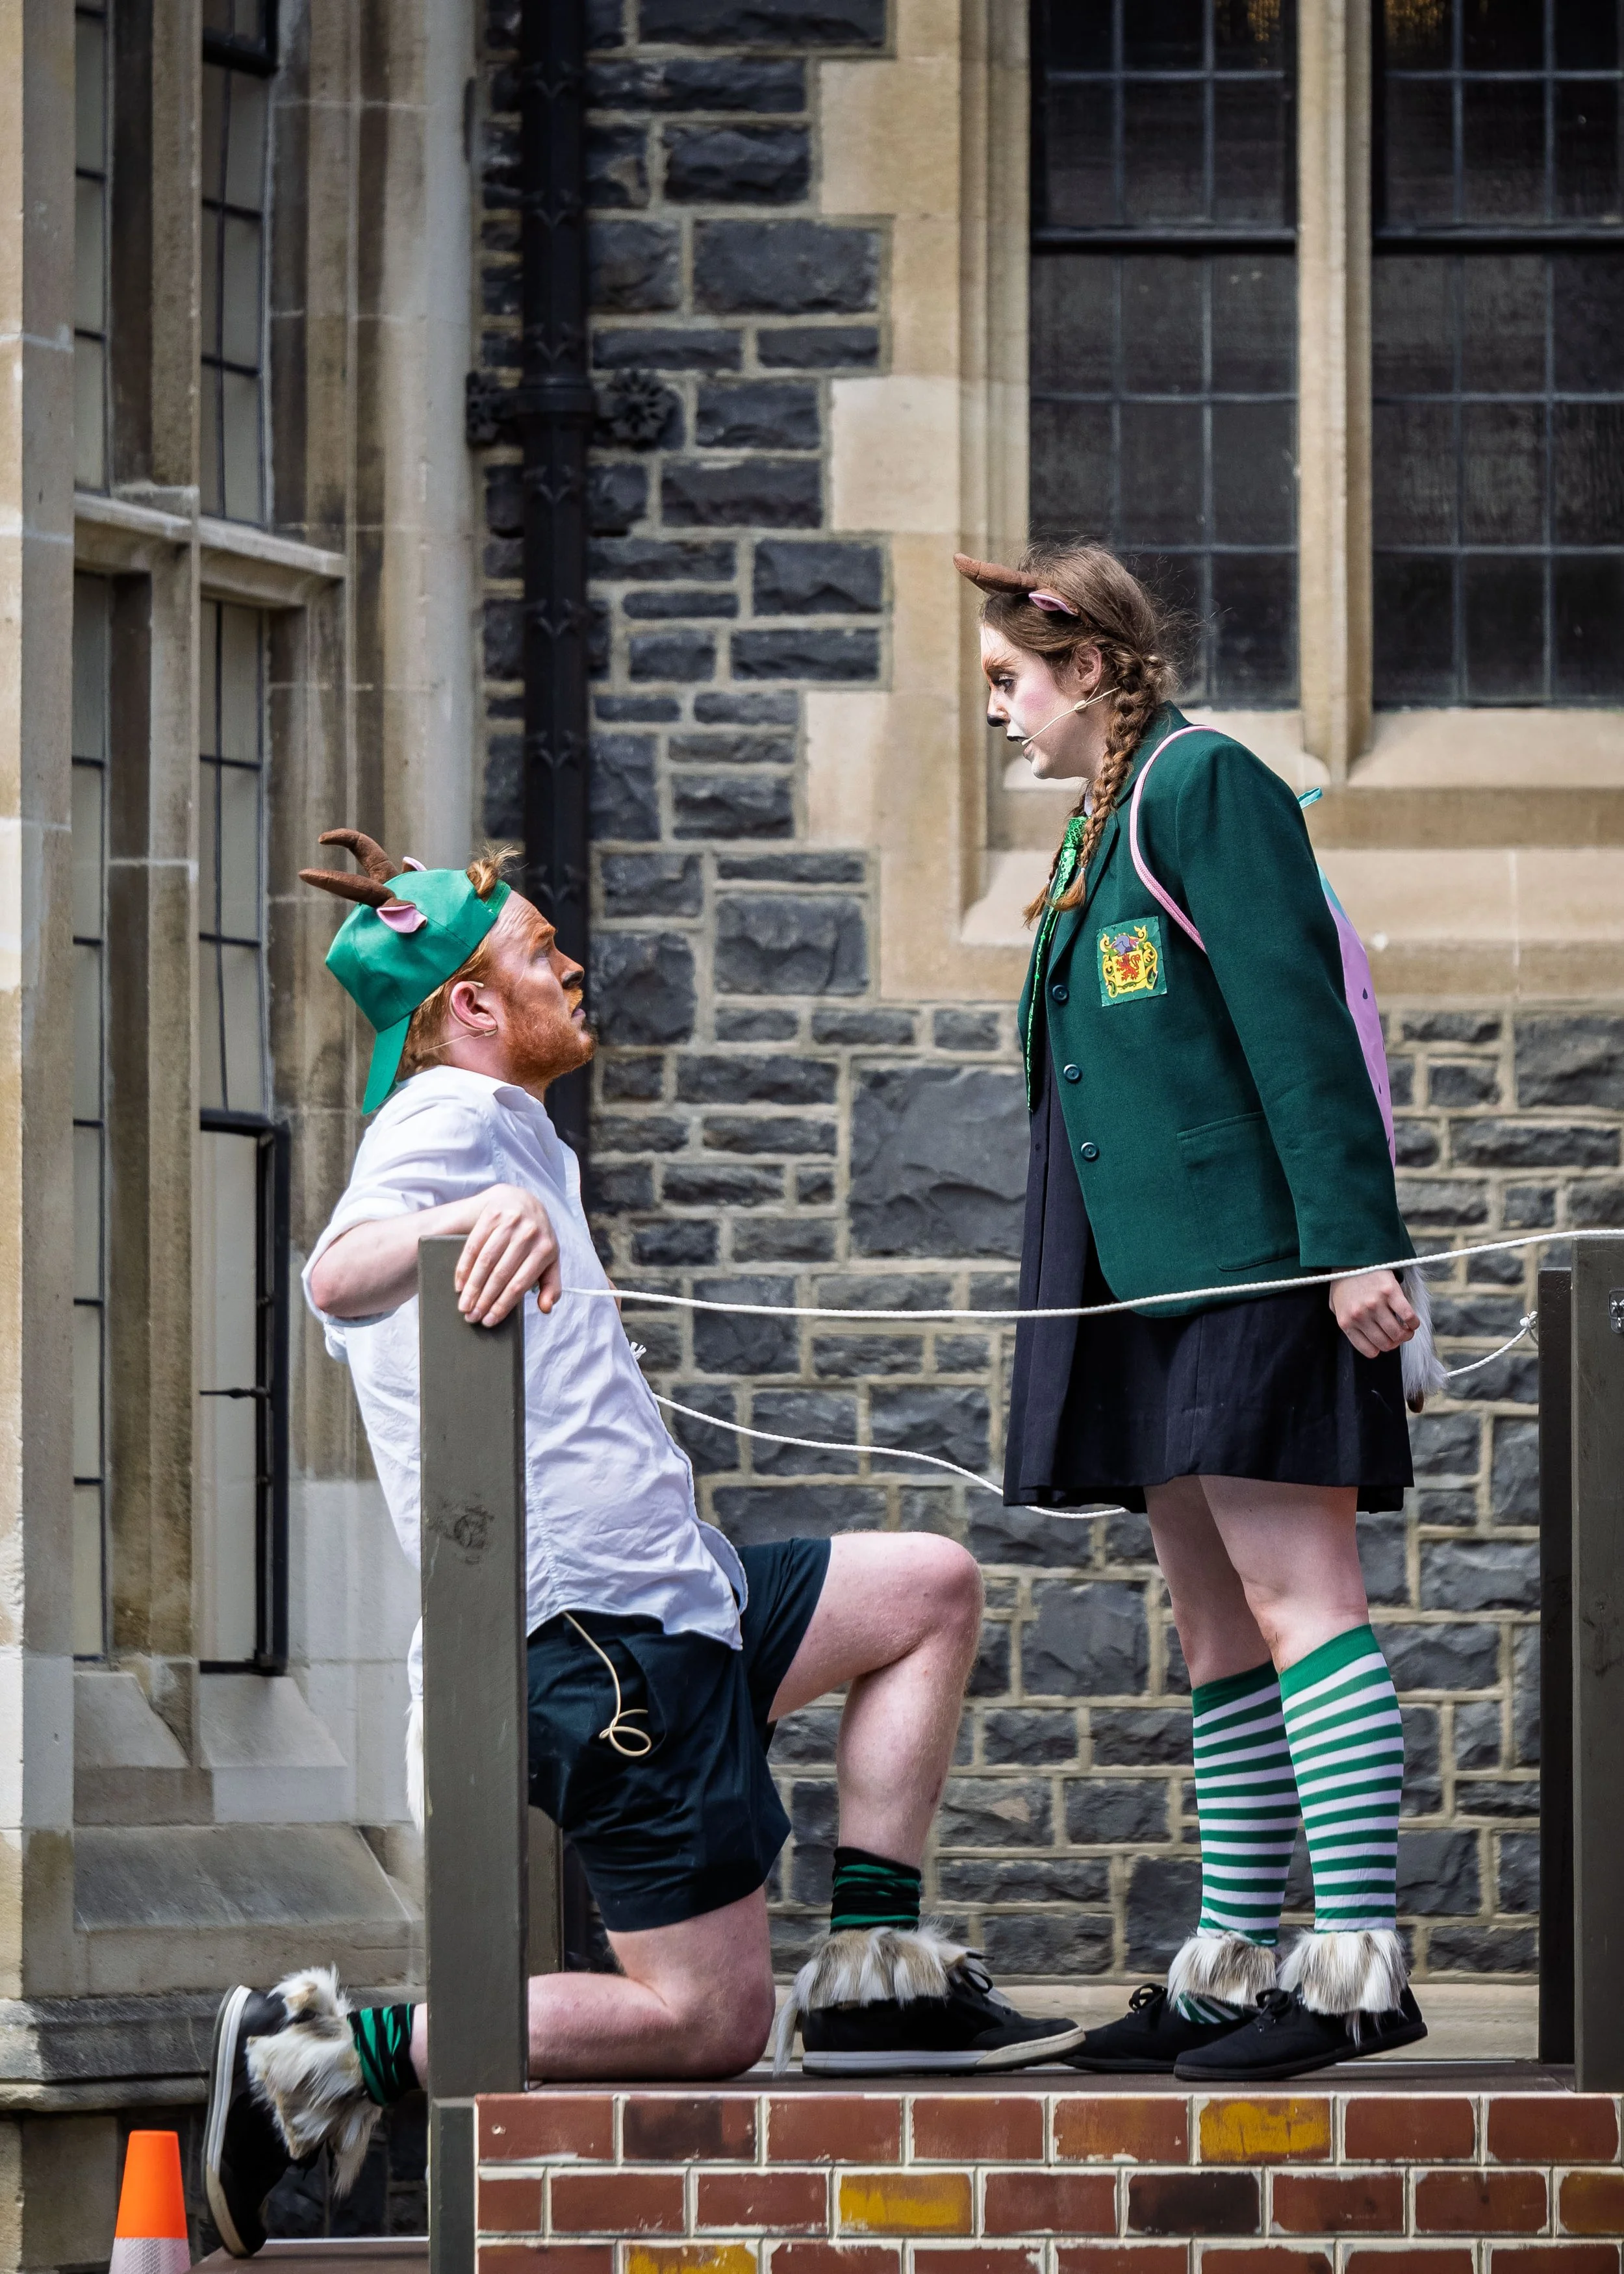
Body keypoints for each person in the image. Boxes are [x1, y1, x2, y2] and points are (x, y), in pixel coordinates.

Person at [204, 829, 1083, 2258]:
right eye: (538, 954)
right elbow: (335, 1269)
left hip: (684, 1600)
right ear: (470, 1009)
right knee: (710, 2020)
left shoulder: (505, 1120)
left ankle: (870, 1972)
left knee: (926, 1585)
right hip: (605, 1648)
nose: (570, 967)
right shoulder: (448, 1124)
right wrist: (467, 1217)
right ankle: (313, 2062)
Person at [961, 542, 1430, 2084]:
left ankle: (1350, 1962)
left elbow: (1296, 1019)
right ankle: (1232, 1961)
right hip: (1141, 1281)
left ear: (1086, 666)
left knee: (1303, 1603)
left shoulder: (1201, 784)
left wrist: (1353, 1250)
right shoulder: (1100, 823)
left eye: (1007, 682)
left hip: (1256, 1264)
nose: (997, 713)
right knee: (1213, 1624)